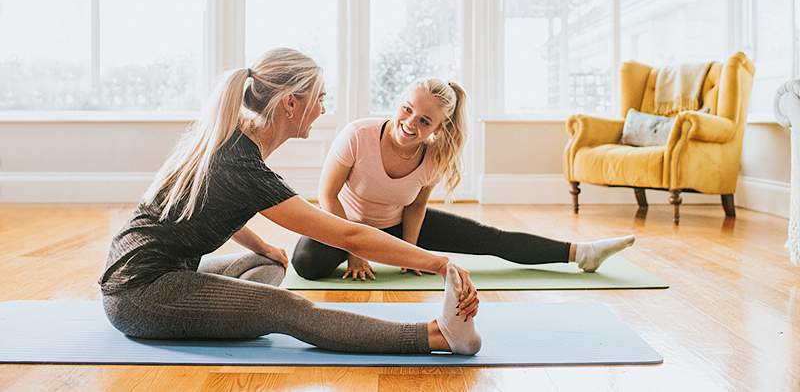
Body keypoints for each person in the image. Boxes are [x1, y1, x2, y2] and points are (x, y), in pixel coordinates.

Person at [98, 49, 481, 356]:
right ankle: (438, 336)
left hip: (159, 270)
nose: (323, 110)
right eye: (320, 99)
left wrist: (262, 245)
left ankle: (226, 309)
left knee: (269, 263)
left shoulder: (233, 140)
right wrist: (438, 262)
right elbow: (351, 237)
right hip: (139, 293)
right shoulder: (242, 165)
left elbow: (212, 207)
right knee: (288, 309)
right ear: (290, 105)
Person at [292, 78, 635, 281]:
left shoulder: (435, 156)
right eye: (407, 109)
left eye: (425, 121)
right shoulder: (357, 134)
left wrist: (408, 254)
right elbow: (327, 195)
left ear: (440, 129)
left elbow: (416, 207)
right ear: (398, 103)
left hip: (394, 224)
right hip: (344, 223)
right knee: (306, 263)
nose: (411, 123)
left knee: (491, 238)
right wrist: (356, 248)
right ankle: (357, 246)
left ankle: (581, 253)